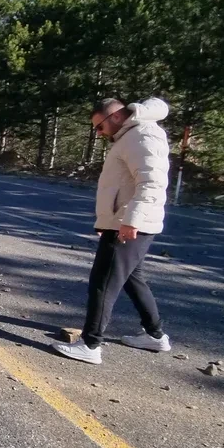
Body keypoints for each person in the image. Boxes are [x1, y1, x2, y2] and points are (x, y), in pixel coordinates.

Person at [52, 97, 172, 365]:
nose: (99, 133)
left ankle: (91, 345)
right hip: (125, 220)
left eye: (99, 127)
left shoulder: (142, 136)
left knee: (103, 282)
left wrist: (131, 220)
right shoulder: (132, 135)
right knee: (132, 278)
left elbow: (152, 182)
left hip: (129, 223)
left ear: (115, 117)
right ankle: (155, 336)